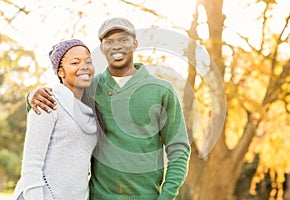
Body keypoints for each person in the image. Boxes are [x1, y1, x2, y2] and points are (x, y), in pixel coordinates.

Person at [27, 17, 190, 200]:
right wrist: (31, 96)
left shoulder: (162, 90)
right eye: (109, 41)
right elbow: (56, 102)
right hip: (99, 196)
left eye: (124, 40)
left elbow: (179, 150)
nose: (116, 46)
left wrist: (166, 196)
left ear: (135, 44)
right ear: (102, 48)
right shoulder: (89, 88)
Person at [13, 39, 101, 200]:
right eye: (75, 62)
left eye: (88, 61)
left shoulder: (90, 110)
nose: (84, 67)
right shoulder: (48, 102)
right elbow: (31, 165)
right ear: (61, 72)